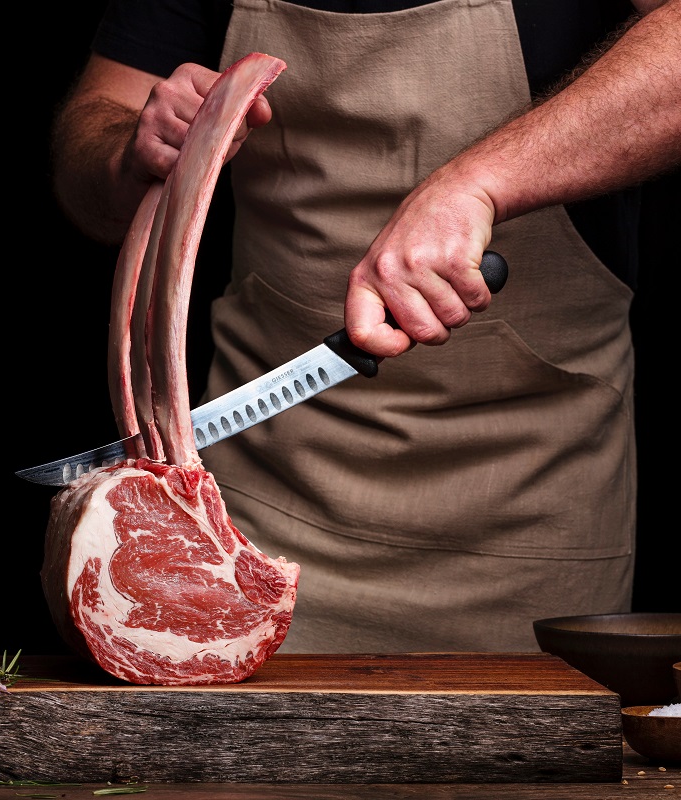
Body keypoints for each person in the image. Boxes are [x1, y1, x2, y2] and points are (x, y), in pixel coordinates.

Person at [50, 0, 681, 653]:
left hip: (532, 515)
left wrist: (479, 182)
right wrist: (135, 150)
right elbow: (89, 155)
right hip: (252, 520)